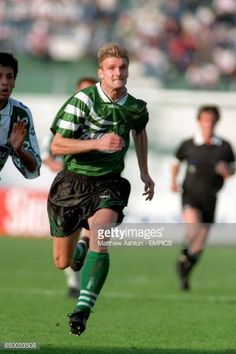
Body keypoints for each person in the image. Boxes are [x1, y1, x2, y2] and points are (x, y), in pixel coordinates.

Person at [47, 42, 155, 336]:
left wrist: (145, 172)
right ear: (101, 72)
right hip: (72, 182)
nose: (118, 73)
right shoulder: (82, 101)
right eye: (111, 68)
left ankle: (82, 310)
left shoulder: (135, 107)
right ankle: (81, 241)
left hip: (109, 182)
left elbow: (140, 131)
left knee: (102, 235)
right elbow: (57, 145)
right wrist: (97, 143)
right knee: (62, 262)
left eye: (122, 68)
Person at [41, 77, 97, 298]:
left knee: (97, 225)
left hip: (98, 185)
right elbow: (48, 148)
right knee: (64, 256)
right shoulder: (67, 119)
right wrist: (54, 165)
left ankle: (84, 289)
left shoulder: (104, 118)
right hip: (70, 187)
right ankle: (74, 282)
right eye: (83, 92)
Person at [171, 105, 235, 291]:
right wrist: (173, 181)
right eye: (205, 119)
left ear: (217, 122)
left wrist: (227, 170)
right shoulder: (189, 144)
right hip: (190, 193)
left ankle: (184, 268)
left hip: (211, 197)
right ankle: (183, 260)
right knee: (194, 229)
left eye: (212, 119)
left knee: (199, 246)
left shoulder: (224, 147)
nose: (209, 123)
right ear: (199, 121)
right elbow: (176, 162)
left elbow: (232, 168)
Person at [0, 52, 41, 178]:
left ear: (14, 81)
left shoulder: (20, 115)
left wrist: (19, 150)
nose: (5, 82)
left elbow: (34, 168)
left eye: (9, 77)